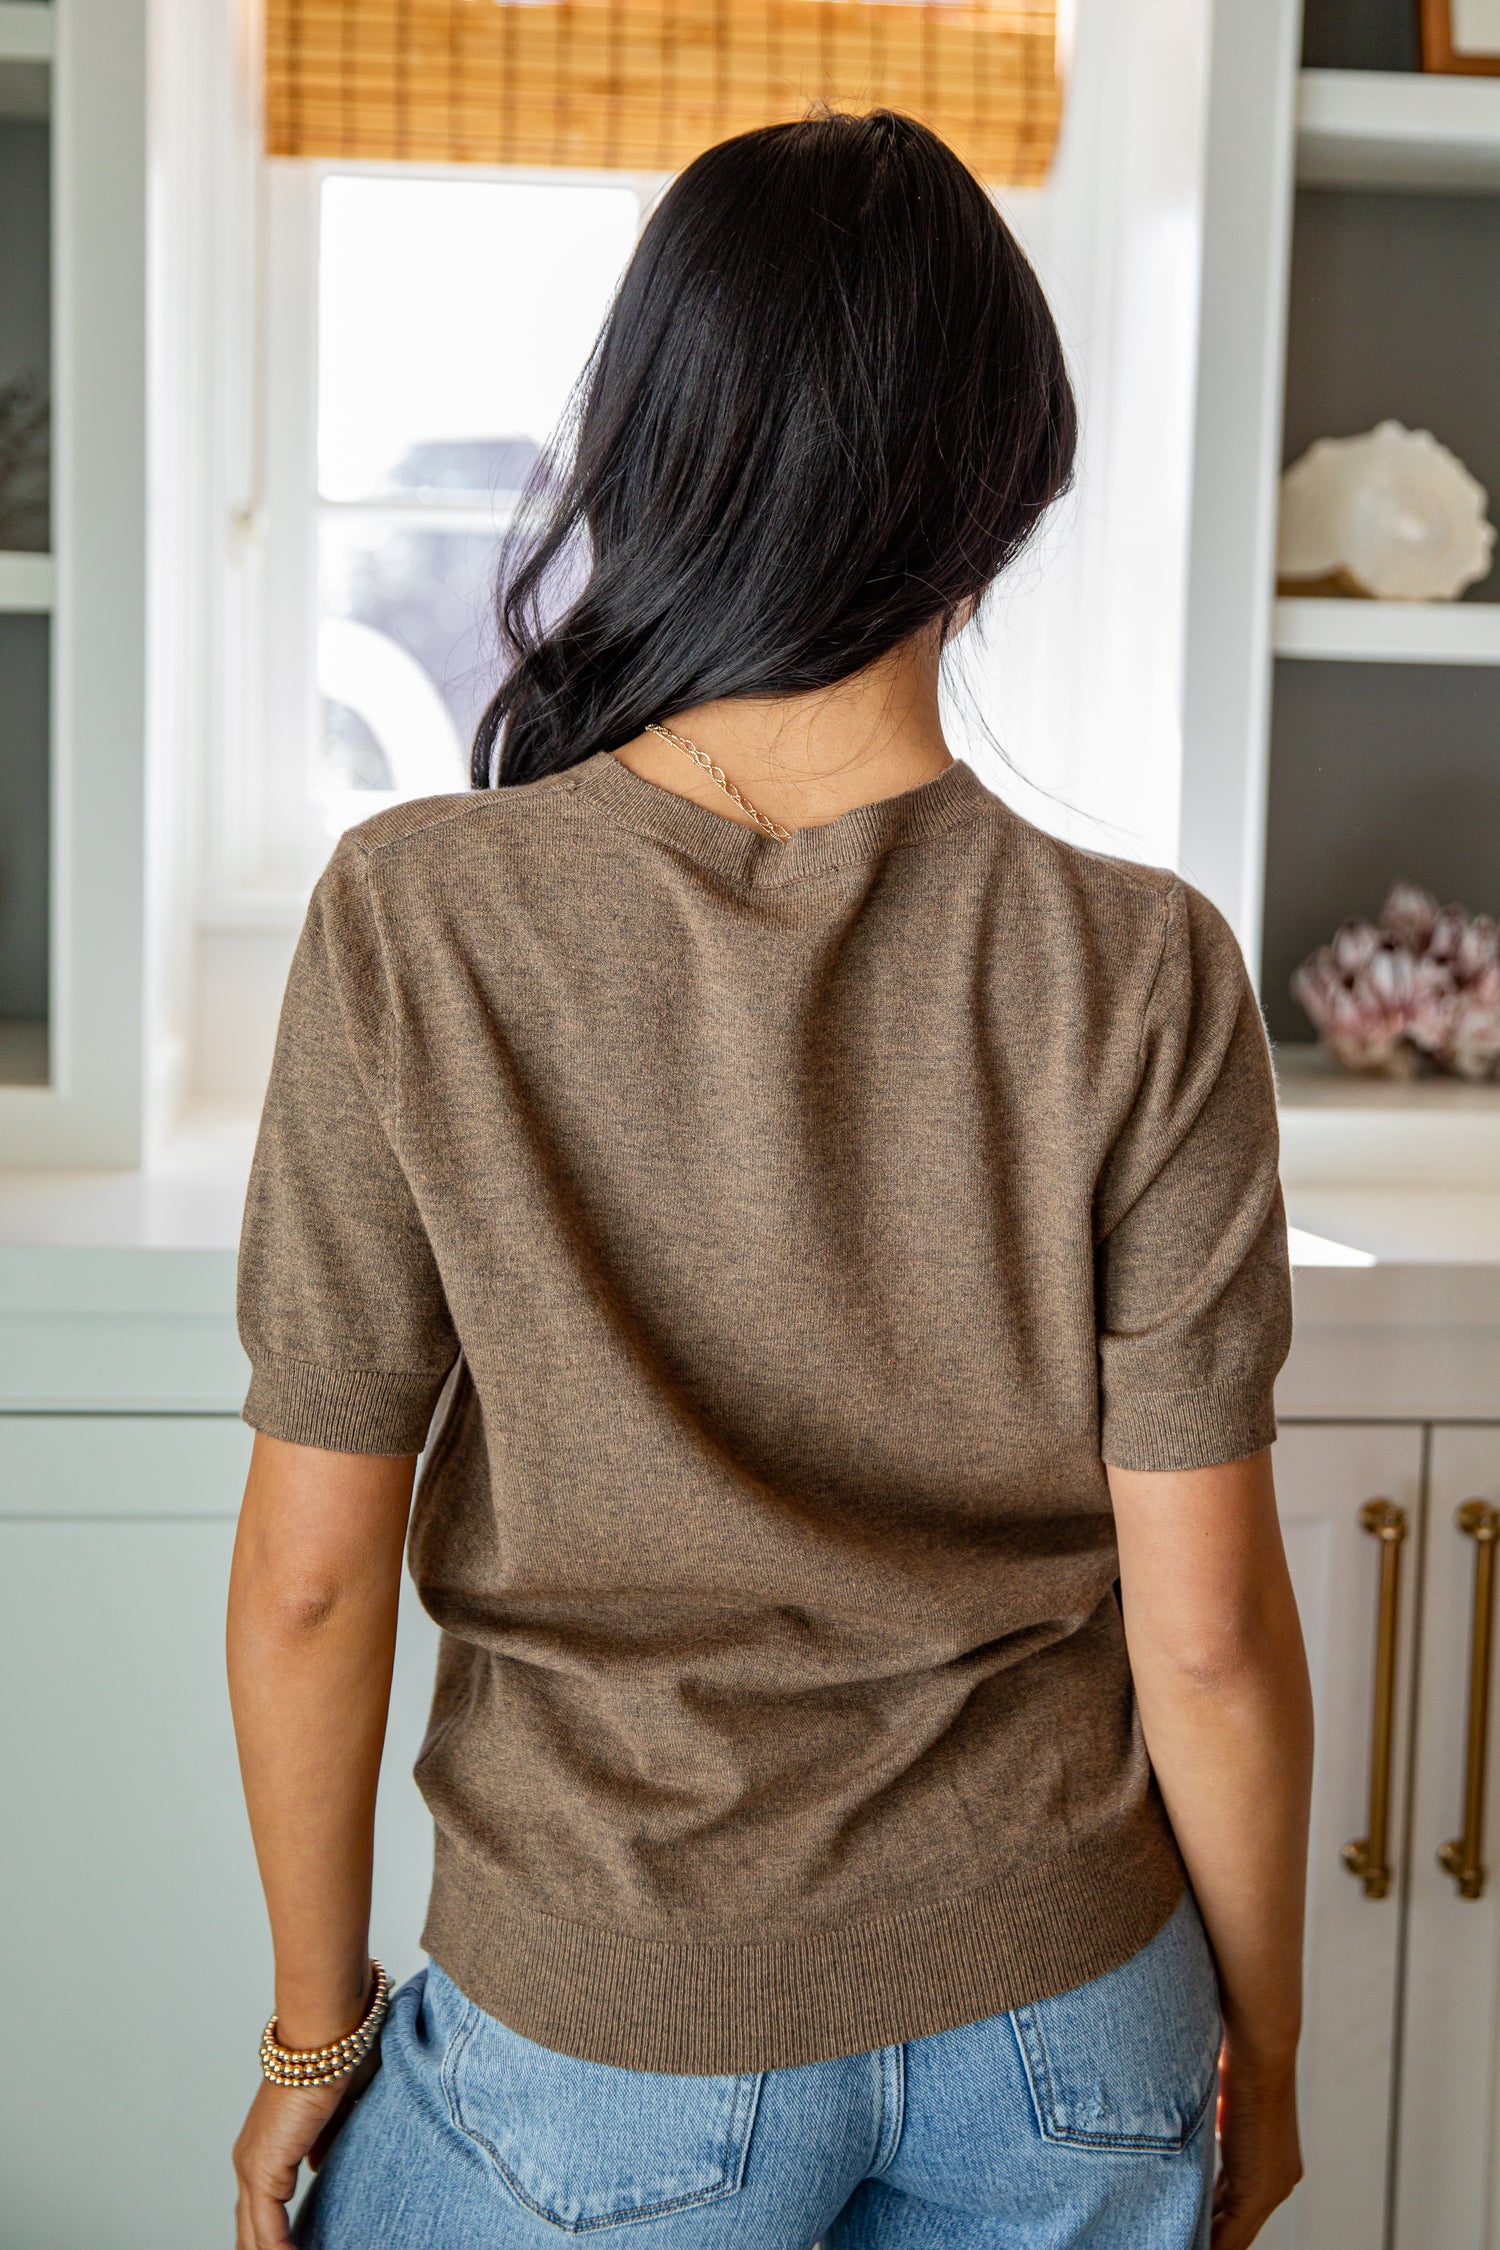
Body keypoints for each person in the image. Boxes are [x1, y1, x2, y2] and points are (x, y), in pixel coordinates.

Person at [228, 108, 1311, 2250]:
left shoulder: (416, 919)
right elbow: (1213, 1647)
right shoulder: (1143, 963)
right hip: (1074, 2034)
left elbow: (310, 1580)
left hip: (603, 2027)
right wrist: (1259, 2064)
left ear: (646, 450)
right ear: (1005, 490)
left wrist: (308, 2038)